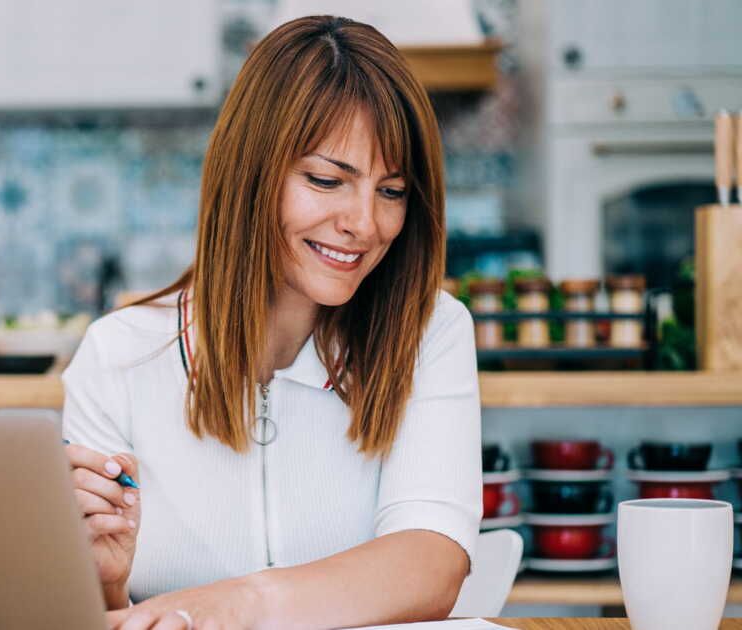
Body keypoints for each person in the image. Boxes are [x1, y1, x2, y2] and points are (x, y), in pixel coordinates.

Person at [61, 15, 481, 630]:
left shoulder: (430, 330)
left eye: (391, 191)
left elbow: (431, 563)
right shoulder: (119, 355)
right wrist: (105, 581)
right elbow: (99, 614)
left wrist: (239, 604)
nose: (365, 224)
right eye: (326, 179)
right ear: (252, 173)